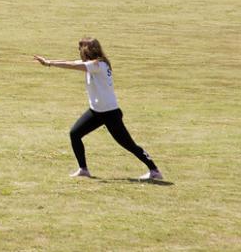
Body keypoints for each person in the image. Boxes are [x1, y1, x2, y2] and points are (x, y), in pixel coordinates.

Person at [33, 37, 163, 181]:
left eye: (80, 48)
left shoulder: (98, 65)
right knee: (74, 134)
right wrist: (48, 62)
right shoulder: (92, 64)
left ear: (87, 50)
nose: (78, 51)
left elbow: (72, 65)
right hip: (96, 111)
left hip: (110, 113)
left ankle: (154, 170)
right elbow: (73, 63)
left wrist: (49, 63)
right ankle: (83, 169)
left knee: (128, 144)